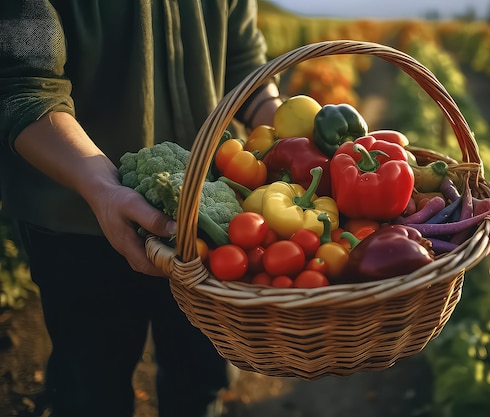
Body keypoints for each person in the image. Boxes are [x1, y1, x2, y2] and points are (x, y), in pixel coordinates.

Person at [0, 1, 282, 416]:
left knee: (200, 380)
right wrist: (102, 188)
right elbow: (23, 87)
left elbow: (242, 63)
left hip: (209, 224)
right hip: (77, 220)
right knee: (90, 391)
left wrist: (290, 130)